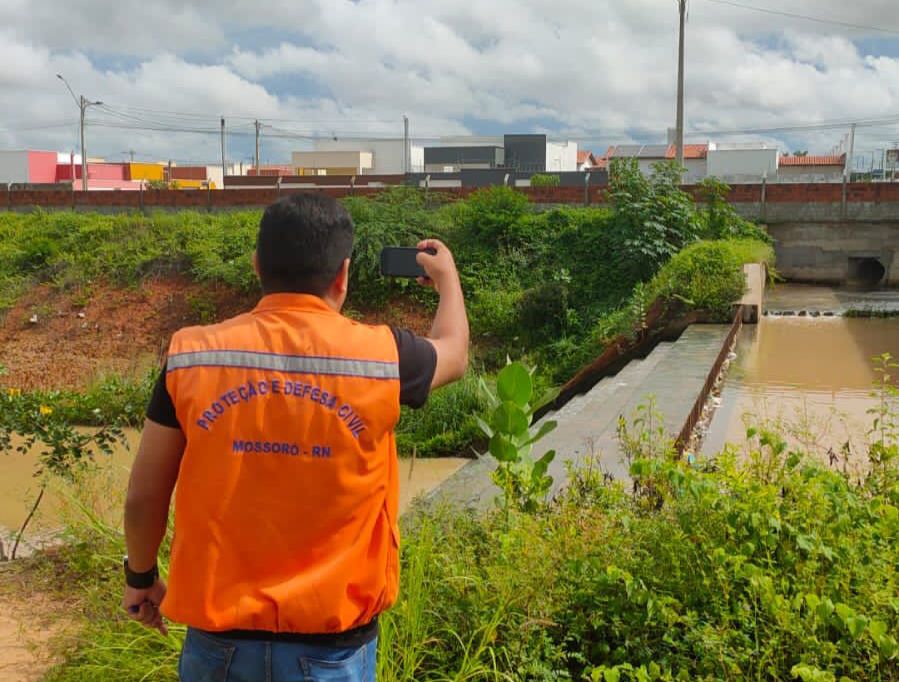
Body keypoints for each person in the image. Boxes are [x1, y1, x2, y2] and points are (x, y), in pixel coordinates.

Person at [121, 193, 469, 682]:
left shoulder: (191, 354)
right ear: (342, 275)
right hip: (331, 654)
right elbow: (453, 354)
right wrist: (448, 280)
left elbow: (144, 496)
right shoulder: (383, 356)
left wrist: (140, 577)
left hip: (218, 647)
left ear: (256, 264)